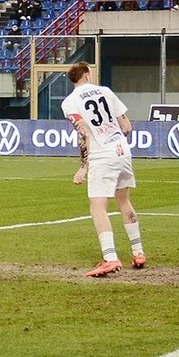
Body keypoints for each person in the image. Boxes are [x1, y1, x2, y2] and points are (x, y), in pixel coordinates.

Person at [62, 62, 145, 277]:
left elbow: (83, 132)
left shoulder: (70, 102)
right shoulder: (106, 91)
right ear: (87, 75)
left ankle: (110, 258)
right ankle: (138, 252)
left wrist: (83, 167)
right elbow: (127, 126)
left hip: (102, 157)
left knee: (98, 208)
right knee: (124, 200)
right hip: (122, 151)